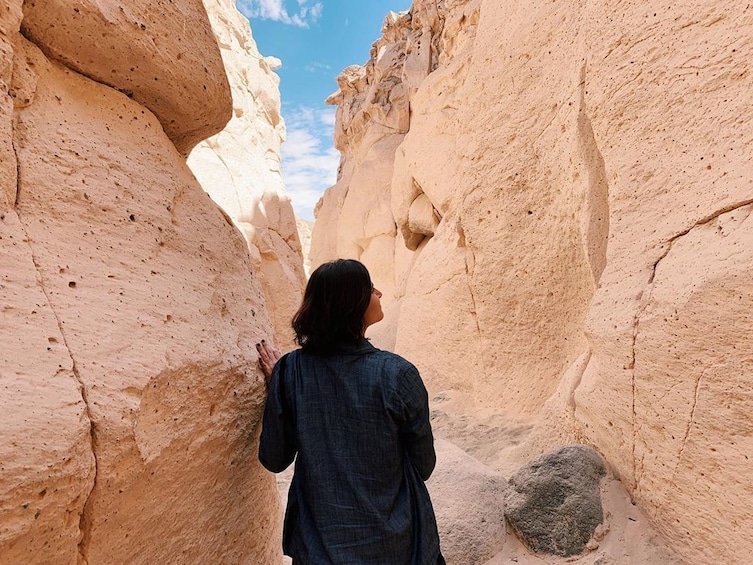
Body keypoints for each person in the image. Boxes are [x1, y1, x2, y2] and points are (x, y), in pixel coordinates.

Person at [256, 258, 445, 565]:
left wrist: (280, 385)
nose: (379, 293)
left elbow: (274, 459)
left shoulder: (290, 372)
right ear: (352, 303)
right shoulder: (398, 374)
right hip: (398, 545)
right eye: (371, 288)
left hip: (319, 546)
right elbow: (424, 465)